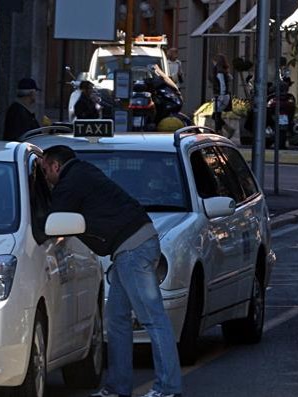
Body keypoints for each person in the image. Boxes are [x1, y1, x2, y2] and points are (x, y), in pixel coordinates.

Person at [41, 145, 182, 397]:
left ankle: (168, 388)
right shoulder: (84, 171)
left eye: (45, 171)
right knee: (117, 320)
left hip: (132, 249)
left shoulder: (69, 182)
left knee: (153, 319)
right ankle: (118, 387)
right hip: (132, 245)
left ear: (55, 165)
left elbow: (53, 220)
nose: (46, 179)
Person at [211, 53, 233, 134]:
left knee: (215, 115)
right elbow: (231, 78)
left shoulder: (219, 72)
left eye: (214, 61)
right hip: (226, 96)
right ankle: (220, 131)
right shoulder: (224, 71)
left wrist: (221, 95)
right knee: (217, 115)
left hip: (221, 95)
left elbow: (222, 84)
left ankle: (227, 130)